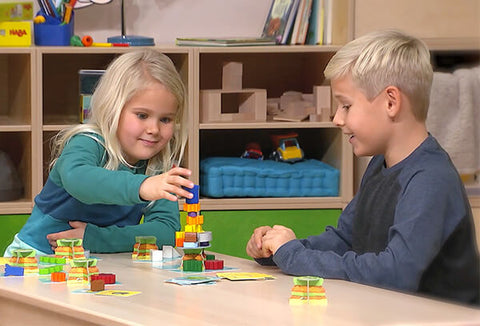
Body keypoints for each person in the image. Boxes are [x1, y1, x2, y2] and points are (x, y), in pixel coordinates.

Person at [246, 30, 479, 305]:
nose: (336, 119)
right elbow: (346, 239)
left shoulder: (431, 179)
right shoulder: (381, 165)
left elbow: (395, 273)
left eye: (346, 105)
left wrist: (294, 255)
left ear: (391, 102)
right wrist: (279, 249)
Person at [4, 48, 194, 256]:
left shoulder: (159, 167)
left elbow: (166, 231)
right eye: (142, 115)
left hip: (102, 264)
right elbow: (78, 179)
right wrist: (142, 187)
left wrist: (96, 239)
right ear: (113, 108)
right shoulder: (88, 142)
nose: (154, 129)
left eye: (165, 119)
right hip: (37, 260)